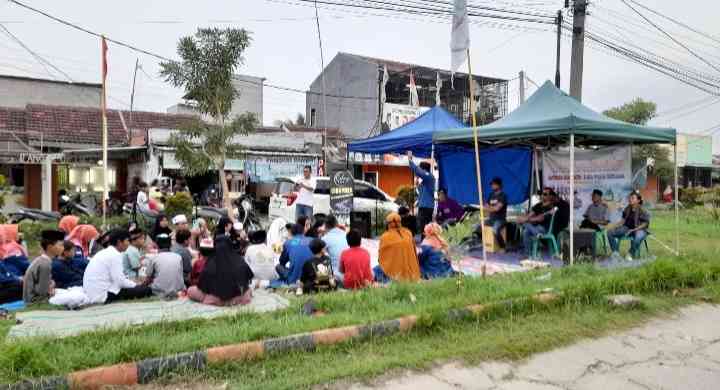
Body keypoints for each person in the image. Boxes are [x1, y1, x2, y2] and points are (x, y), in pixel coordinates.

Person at [83, 230, 152, 304]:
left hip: (93, 292)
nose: (129, 244)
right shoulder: (115, 255)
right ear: (119, 242)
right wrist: (136, 285)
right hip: (103, 295)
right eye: (127, 241)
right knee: (146, 290)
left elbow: (118, 279)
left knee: (138, 287)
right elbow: (120, 282)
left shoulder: (105, 252)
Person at [187, 235, 254, 306]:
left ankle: (220, 301)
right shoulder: (240, 260)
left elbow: (202, 285)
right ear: (230, 245)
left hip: (215, 298)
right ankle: (233, 300)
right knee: (248, 290)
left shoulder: (210, 262)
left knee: (191, 290)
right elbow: (247, 278)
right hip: (239, 296)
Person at [375, 213, 420, 282]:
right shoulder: (408, 233)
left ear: (388, 224)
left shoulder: (385, 237)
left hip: (395, 274)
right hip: (413, 273)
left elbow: (381, 259)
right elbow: (414, 252)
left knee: (376, 270)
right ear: (400, 222)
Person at [23, 230, 65, 304]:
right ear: (50, 247)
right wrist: (51, 288)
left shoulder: (42, 260)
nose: (63, 248)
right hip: (35, 301)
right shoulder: (45, 264)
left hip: (33, 297)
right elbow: (42, 292)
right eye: (60, 245)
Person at [608, 192, 651, 261]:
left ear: (638, 200)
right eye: (630, 198)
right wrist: (614, 226)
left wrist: (634, 230)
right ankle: (616, 253)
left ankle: (630, 253)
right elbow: (623, 220)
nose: (630, 199)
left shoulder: (642, 210)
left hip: (640, 229)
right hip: (627, 228)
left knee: (638, 238)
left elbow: (645, 224)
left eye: (632, 198)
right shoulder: (627, 208)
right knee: (610, 232)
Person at [517, 188, 558, 258]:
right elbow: (529, 215)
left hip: (544, 229)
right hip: (534, 227)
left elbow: (540, 219)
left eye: (545, 194)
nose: (542, 195)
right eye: (542, 193)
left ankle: (535, 233)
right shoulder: (538, 205)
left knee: (525, 225)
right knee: (525, 231)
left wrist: (526, 220)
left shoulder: (551, 207)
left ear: (550, 196)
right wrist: (524, 218)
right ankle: (527, 254)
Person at [407, 151, 435, 236]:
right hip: (423, 206)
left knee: (424, 228)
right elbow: (422, 192)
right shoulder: (426, 181)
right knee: (422, 227)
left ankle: (425, 243)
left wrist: (410, 160)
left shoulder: (429, 176)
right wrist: (417, 184)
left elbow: (418, 171)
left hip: (426, 207)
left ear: (424, 169)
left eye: (420, 169)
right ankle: (424, 242)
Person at [321, 215, 348, 283]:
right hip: (351, 274)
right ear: (337, 224)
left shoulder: (325, 238)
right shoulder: (346, 235)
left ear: (325, 226)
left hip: (336, 276)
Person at [484, 177, 508, 249]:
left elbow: (497, 209)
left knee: (495, 230)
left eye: (494, 184)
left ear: (499, 185)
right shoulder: (491, 195)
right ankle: (487, 245)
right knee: (478, 227)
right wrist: (491, 208)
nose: (492, 186)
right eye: (492, 184)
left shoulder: (503, 196)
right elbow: (486, 206)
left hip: (500, 220)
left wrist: (490, 208)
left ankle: (503, 247)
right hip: (491, 219)